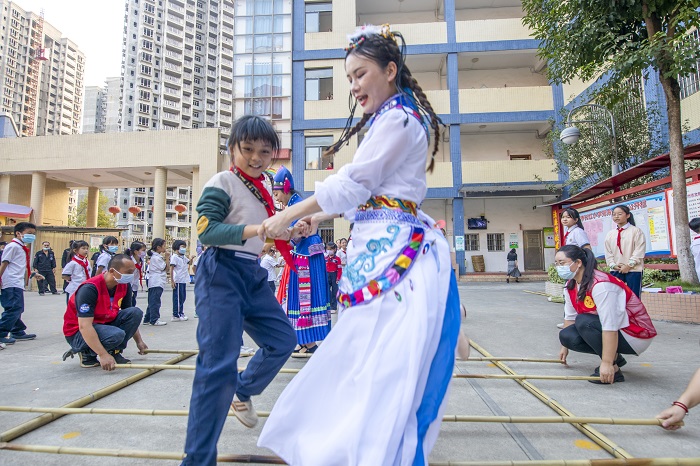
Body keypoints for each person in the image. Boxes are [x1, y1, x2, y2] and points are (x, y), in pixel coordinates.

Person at [258, 24, 460, 465]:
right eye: (349, 78)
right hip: (378, 253)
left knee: (380, 364)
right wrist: (317, 214)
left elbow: (354, 182)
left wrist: (289, 213)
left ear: (390, 70)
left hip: (394, 260)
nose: (353, 86)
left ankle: (364, 450)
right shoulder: (392, 119)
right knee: (362, 357)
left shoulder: (399, 119)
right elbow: (366, 193)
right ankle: (348, 446)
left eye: (360, 74)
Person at [180, 115, 298, 466]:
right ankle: (198, 460)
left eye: (265, 151)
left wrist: (289, 229)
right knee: (217, 365)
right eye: (247, 150)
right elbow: (207, 232)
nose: (256, 157)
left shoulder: (263, 187)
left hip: (252, 273)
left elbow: (266, 231)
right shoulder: (223, 181)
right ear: (232, 149)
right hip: (221, 271)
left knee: (282, 339)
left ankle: (243, 389)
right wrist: (260, 228)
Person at [556, 244, 657, 384]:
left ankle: (614, 368)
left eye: (562, 263)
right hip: (611, 329)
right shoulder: (571, 285)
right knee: (567, 335)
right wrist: (565, 347)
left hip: (633, 334)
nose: (558, 267)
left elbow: (610, 325)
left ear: (578, 263)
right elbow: (570, 317)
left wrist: (607, 363)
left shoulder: (601, 285)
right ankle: (616, 357)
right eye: (557, 264)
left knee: (584, 321)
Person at [272, 166, 331, 356]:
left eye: (277, 193)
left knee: (307, 298)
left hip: (308, 257)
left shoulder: (297, 206)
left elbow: (296, 234)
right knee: (299, 298)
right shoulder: (292, 206)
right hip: (302, 255)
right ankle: (304, 340)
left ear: (286, 189)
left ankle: (309, 341)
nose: (276, 197)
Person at [62, 254, 148, 369]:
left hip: (104, 324)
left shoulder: (124, 286)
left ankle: (114, 351)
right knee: (116, 335)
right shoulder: (90, 289)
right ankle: (86, 352)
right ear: (112, 271)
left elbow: (130, 315)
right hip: (78, 332)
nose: (131, 275)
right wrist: (102, 355)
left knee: (135, 312)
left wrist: (139, 342)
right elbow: (84, 326)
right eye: (128, 272)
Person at [0, 222, 42, 345]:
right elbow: (5, 263)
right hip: (11, 282)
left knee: (17, 308)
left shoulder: (21, 247)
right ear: (18, 233)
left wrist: (33, 274)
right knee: (14, 308)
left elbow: (18, 266)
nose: (32, 236)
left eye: (33, 234)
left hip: (17, 281)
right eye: (29, 233)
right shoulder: (13, 246)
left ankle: (17, 331)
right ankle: (2, 332)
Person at [604, 205, 645, 298]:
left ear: (627, 215)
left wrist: (629, 265)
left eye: (619, 214)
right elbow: (608, 252)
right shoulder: (610, 234)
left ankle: (633, 313)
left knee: (633, 297)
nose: (616, 216)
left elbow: (639, 251)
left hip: (634, 270)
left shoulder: (636, 231)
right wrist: (613, 265)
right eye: (614, 214)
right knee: (615, 297)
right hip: (616, 270)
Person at [143, 238, 167, 327]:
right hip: (156, 281)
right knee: (155, 301)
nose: (165, 247)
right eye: (164, 246)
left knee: (152, 300)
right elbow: (165, 268)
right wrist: (167, 258)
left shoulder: (156, 257)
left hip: (155, 281)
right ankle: (154, 319)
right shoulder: (157, 258)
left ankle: (147, 318)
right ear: (158, 247)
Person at [170, 240, 190, 322]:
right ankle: (176, 314)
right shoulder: (175, 257)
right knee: (177, 298)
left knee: (182, 297)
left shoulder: (183, 257)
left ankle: (181, 312)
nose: (184, 249)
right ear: (177, 247)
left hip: (183, 279)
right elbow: (171, 269)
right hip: (177, 280)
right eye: (182, 247)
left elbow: (189, 262)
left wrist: (191, 258)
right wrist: (172, 281)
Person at [325, 241, 342, 313]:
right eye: (328, 249)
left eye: (331, 249)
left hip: (334, 275)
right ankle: (328, 305)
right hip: (327, 274)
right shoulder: (325, 258)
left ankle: (334, 307)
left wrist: (338, 277)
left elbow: (339, 269)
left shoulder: (337, 259)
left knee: (335, 291)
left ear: (335, 249)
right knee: (327, 290)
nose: (329, 250)